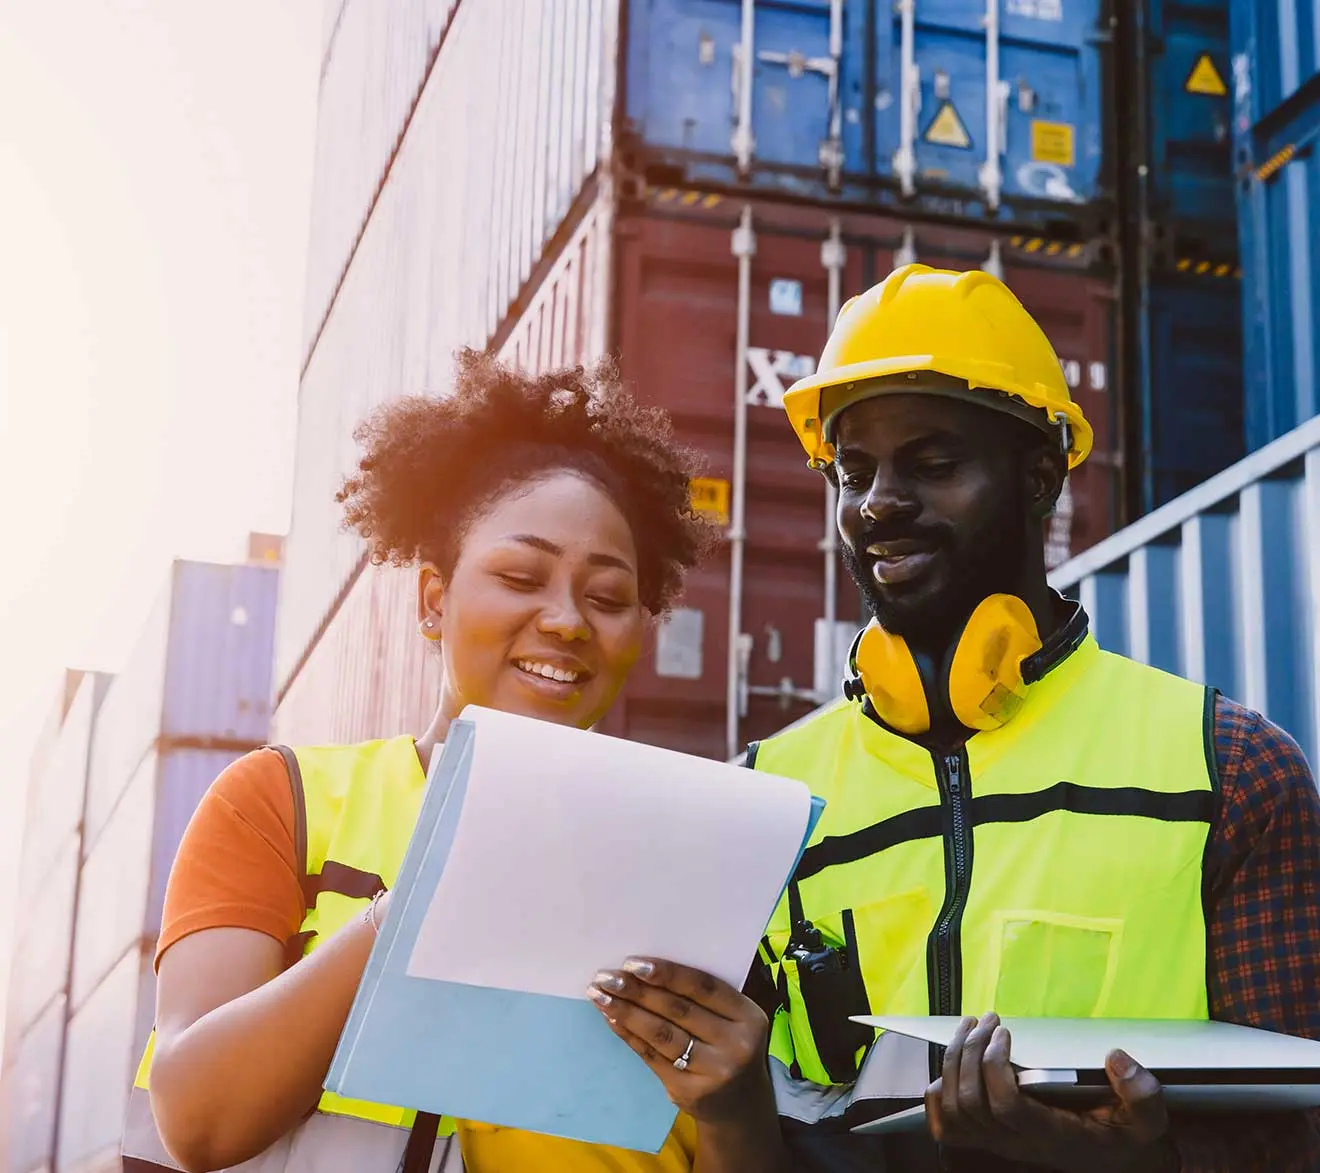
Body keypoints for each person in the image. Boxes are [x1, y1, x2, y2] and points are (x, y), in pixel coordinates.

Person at [121, 352, 788, 1173]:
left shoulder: (700, 868)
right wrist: (403, 909)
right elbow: (197, 1118)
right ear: (434, 599)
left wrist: (736, 1106)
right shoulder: (284, 801)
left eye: (609, 597)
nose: (568, 620)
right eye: (521, 575)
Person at [734, 264, 1320, 1171]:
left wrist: (1112, 1160)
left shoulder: (1229, 768)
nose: (879, 503)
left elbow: (1295, 1140)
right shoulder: (759, 799)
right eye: (854, 472)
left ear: (1041, 478)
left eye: (932, 464)